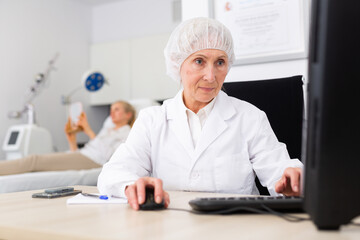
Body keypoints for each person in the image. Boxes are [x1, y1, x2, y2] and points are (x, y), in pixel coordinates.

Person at [97, 17, 303, 210]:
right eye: (199, 61)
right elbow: (113, 173)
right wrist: (131, 185)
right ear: (178, 63)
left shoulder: (250, 117)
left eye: (220, 62)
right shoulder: (152, 120)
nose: (211, 76)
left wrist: (292, 178)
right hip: (171, 225)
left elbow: (279, 170)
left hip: (237, 225)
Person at [0, 101, 136, 176]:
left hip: (94, 161)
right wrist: (72, 139)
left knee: (33, 161)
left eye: (117, 109)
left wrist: (88, 130)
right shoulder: (107, 130)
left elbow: (109, 156)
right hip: (84, 156)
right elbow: (82, 152)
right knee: (35, 162)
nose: (112, 113)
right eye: (111, 109)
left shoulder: (128, 134)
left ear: (128, 115)